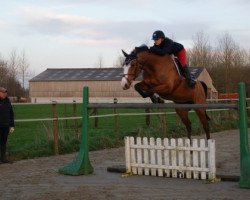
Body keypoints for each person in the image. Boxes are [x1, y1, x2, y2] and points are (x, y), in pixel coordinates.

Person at [0, 87, 14, 164]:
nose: (5, 94)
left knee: (3, 143)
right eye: (3, 92)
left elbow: (11, 114)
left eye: (5, 92)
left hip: (6, 126)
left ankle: (3, 158)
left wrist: (12, 125)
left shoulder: (8, 101)